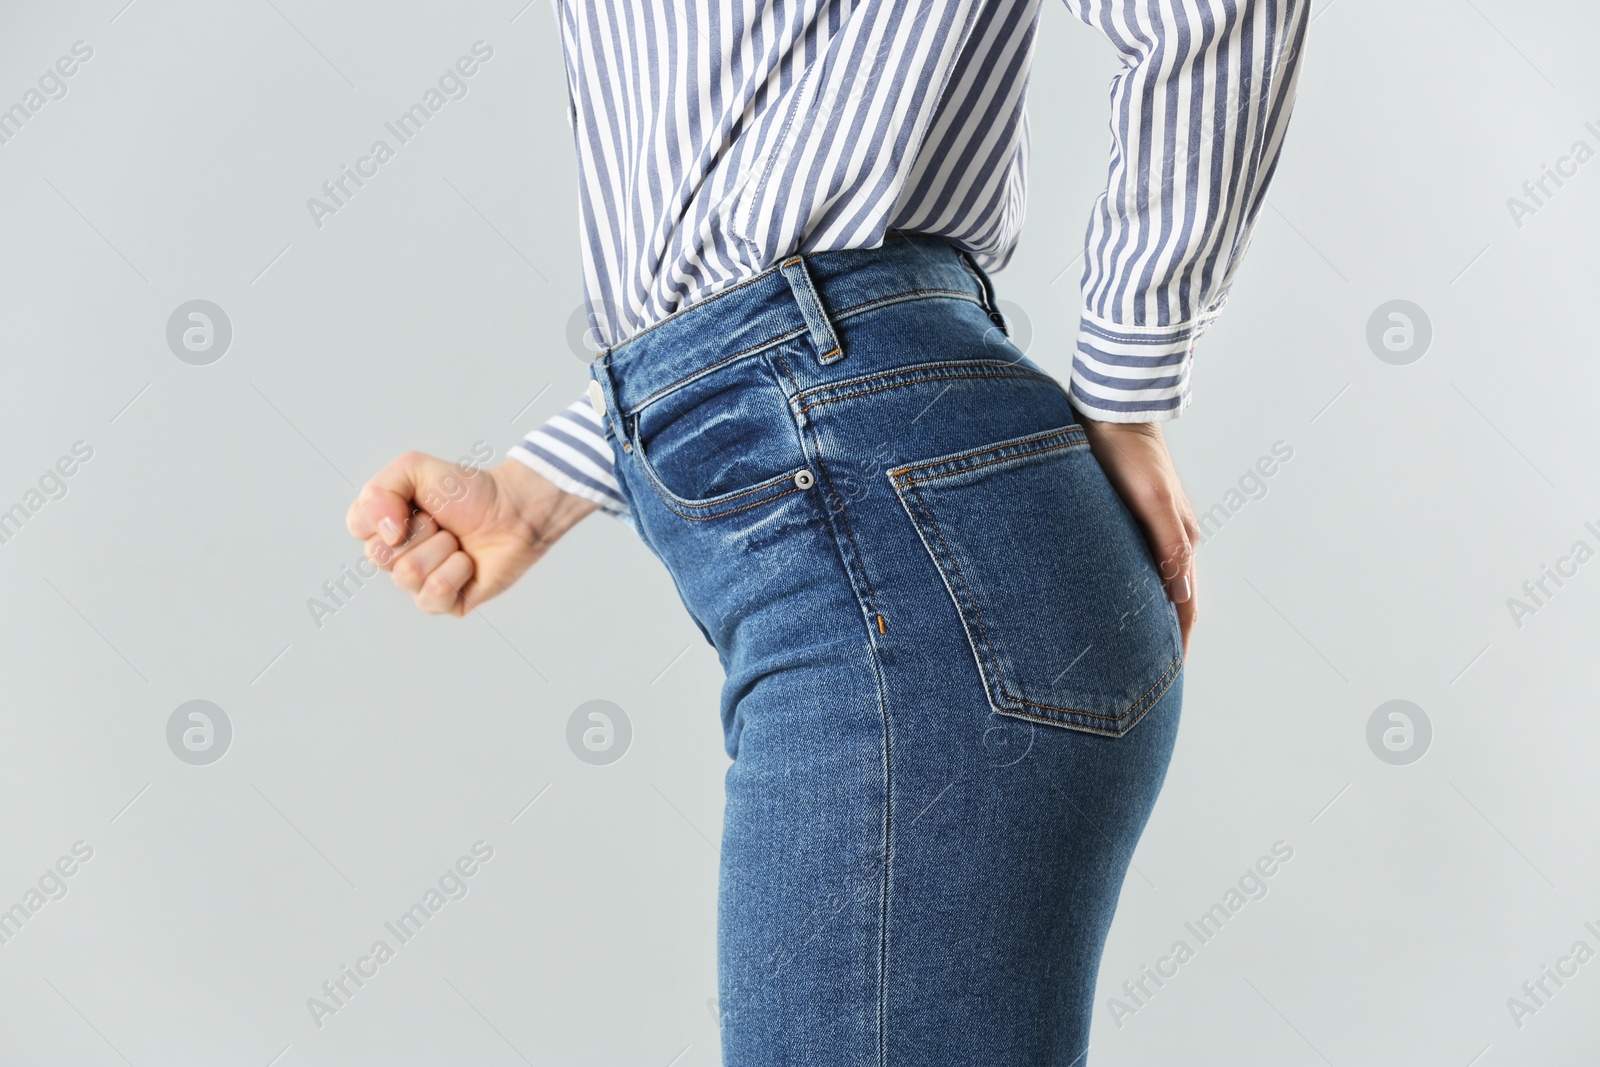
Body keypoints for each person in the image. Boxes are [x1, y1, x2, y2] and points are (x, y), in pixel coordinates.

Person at [347, 1, 1308, 1061]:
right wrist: (540, 489)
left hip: (905, 544)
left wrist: (1128, 383)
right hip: (896, 510)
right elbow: (731, 214)